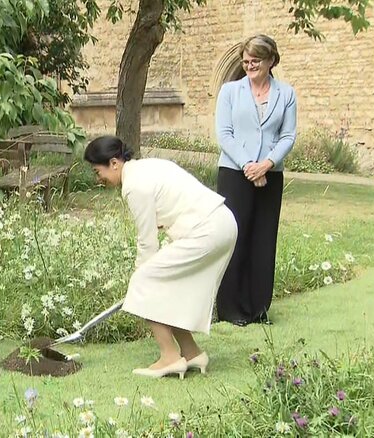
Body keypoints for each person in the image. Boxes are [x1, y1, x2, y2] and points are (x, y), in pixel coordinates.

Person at [84, 136, 237, 379]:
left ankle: (169, 357)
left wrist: (139, 280)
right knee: (165, 285)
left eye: (97, 171)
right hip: (222, 223)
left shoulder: (134, 185)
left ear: (114, 163)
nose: (98, 178)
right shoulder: (147, 167)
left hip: (208, 229)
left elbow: (147, 242)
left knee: (145, 281)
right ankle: (192, 352)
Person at [214, 34, 297, 326]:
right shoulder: (229, 91)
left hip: (270, 175)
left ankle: (258, 308)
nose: (249, 66)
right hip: (235, 173)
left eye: (255, 61)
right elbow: (224, 134)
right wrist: (249, 165)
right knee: (235, 238)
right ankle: (230, 309)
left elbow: (287, 135)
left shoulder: (286, 94)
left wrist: (267, 164)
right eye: (246, 61)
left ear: (271, 61)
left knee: (264, 240)